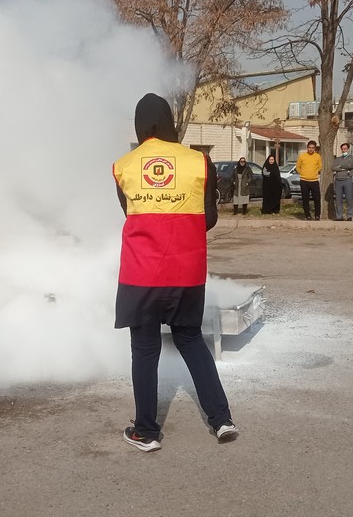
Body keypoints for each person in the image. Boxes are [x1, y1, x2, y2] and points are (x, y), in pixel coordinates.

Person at [112, 93, 237, 452]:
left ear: (140, 124)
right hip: (186, 270)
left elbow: (131, 214)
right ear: (169, 121)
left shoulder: (123, 166)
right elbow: (208, 218)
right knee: (191, 340)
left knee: (145, 349)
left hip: (141, 274)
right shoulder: (199, 161)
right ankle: (221, 419)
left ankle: (146, 432)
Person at [296, 140, 322, 220]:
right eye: (310, 147)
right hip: (304, 181)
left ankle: (317, 215)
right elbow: (298, 167)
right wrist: (302, 173)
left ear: (315, 148)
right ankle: (307, 215)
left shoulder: (318, 156)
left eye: (312, 148)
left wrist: (315, 173)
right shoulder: (302, 156)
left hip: (314, 181)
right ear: (307, 148)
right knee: (305, 199)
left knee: (317, 199)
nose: (311, 149)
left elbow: (320, 167)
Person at [331, 142, 353, 221]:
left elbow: (350, 166)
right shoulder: (337, 159)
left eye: (345, 149)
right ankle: (339, 216)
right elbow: (333, 167)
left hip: (347, 179)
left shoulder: (352, 158)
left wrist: (339, 166)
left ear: (348, 149)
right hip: (338, 180)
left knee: (349, 199)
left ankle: (349, 216)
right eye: (342, 149)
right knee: (338, 200)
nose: (343, 150)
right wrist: (343, 168)